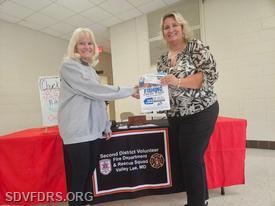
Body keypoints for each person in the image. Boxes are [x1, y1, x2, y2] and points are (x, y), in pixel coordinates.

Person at [58, 27, 139, 206]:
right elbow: (96, 91)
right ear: (75, 46)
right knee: (79, 176)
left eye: (89, 43)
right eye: (81, 43)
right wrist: (129, 91)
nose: (86, 47)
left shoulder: (91, 70)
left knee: (89, 172)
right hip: (77, 131)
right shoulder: (68, 66)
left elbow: (99, 101)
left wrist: (105, 125)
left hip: (93, 131)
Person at [157, 12, 219, 206]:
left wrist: (178, 81)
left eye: (174, 25)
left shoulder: (195, 47)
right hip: (176, 115)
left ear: (182, 28)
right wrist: (142, 94)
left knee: (190, 159)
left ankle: (195, 203)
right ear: (163, 33)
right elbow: (160, 88)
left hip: (201, 110)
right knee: (192, 158)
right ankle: (203, 199)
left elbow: (211, 74)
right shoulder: (162, 60)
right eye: (166, 27)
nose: (171, 29)